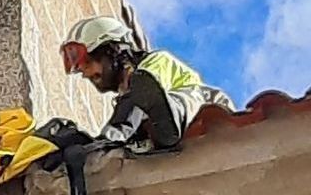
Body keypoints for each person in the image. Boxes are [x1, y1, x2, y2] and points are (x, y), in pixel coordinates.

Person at [60, 15, 234, 156]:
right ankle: (155, 135)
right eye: (81, 69)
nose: (86, 73)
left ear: (111, 51)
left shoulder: (156, 62)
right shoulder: (127, 96)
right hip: (161, 124)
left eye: (88, 63)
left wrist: (106, 140)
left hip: (206, 104)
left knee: (153, 93)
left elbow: (133, 104)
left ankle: (170, 121)